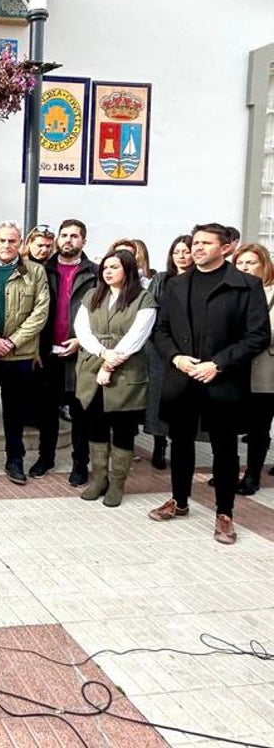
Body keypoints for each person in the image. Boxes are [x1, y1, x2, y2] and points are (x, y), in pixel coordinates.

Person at [150, 223, 270, 545]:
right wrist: (176, 358)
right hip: (182, 377)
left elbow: (258, 335)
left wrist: (218, 364)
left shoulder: (247, 285)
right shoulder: (176, 284)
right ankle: (180, 501)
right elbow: (160, 330)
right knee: (181, 441)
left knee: (225, 448)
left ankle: (225, 513)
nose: (197, 248)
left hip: (223, 381)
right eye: (195, 242)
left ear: (225, 247)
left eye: (205, 242)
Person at [0, 221, 50, 483]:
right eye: (2, 240)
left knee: (14, 411)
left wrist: (13, 341)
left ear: (21, 244)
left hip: (19, 353)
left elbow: (40, 312)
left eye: (12, 241)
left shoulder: (35, 272)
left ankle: (15, 459)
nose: (7, 245)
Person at [74, 250, 157, 507]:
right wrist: (102, 352)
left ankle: (118, 482)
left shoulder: (143, 299)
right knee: (95, 424)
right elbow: (82, 328)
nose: (108, 272)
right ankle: (99, 478)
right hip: (92, 365)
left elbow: (137, 336)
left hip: (126, 369)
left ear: (128, 270)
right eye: (105, 267)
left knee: (122, 428)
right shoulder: (93, 296)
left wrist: (110, 363)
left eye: (114, 267)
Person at [33, 218, 97, 484]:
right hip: (48, 351)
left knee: (81, 412)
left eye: (74, 236)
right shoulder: (41, 270)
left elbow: (102, 315)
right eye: (64, 235)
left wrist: (81, 341)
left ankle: (80, 463)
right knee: (46, 410)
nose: (68, 240)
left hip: (81, 353)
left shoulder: (95, 272)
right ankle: (45, 457)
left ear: (84, 240)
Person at [143, 235, 192, 469]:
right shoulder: (161, 280)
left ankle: (180, 443)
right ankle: (159, 444)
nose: (182, 256)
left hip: (191, 350)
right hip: (160, 348)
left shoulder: (200, 279)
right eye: (177, 252)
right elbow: (150, 311)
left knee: (184, 400)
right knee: (158, 398)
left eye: (186, 251)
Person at [232, 243, 274, 494]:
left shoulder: (270, 291)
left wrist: (252, 335)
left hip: (265, 368)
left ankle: (252, 474)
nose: (245, 267)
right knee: (231, 423)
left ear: (264, 264)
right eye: (240, 263)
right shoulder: (234, 291)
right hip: (236, 367)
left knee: (259, 425)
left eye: (251, 262)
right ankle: (228, 468)